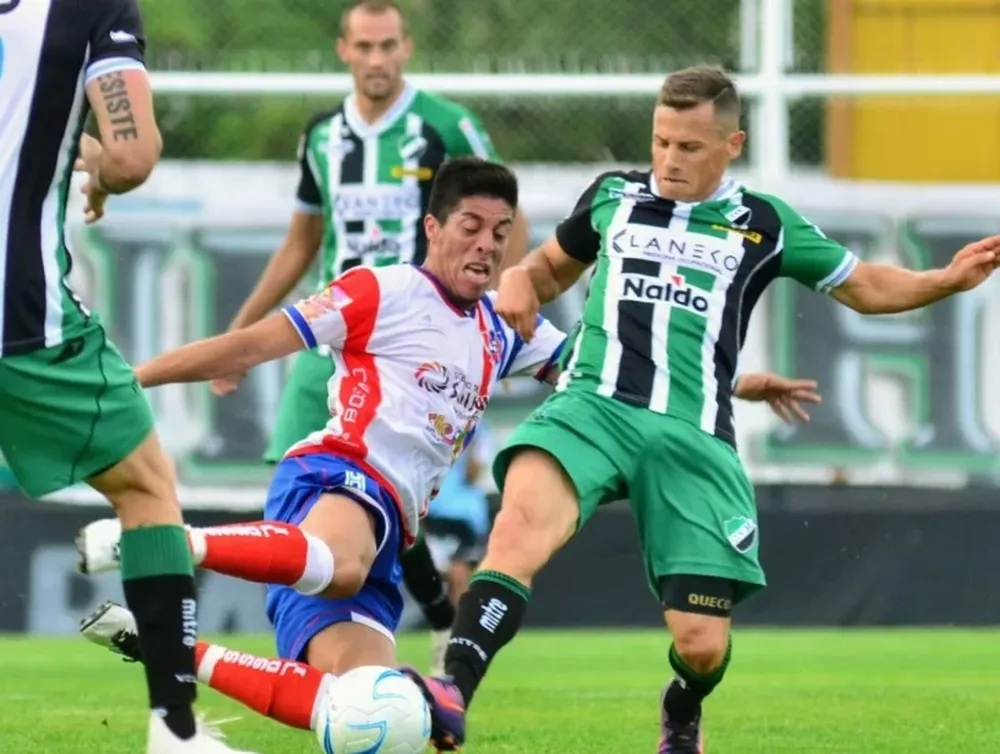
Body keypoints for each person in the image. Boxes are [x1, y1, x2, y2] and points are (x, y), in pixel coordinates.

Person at [406, 66, 1000, 753]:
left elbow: (865, 285)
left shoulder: (766, 223)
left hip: (693, 437)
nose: (668, 161)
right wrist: (515, 279)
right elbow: (542, 271)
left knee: (702, 644)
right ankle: (451, 692)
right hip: (590, 407)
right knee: (515, 534)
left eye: (688, 147)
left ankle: (683, 705)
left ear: (731, 145)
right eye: (660, 142)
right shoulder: (614, 197)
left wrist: (944, 280)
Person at [75, 157, 562, 737]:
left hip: (390, 529)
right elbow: (250, 346)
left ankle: (162, 647)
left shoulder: (504, 327)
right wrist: (135, 379)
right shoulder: (382, 291)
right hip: (338, 475)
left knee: (363, 710)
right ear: (433, 229)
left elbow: (595, 372)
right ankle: (166, 544)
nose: (486, 246)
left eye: (501, 234)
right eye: (471, 227)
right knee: (341, 565)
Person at [207, 0, 527, 670]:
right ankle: (331, 644)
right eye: (365, 46)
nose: (377, 59)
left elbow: (502, 214)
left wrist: (511, 299)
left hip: (407, 340)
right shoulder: (322, 136)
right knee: (300, 490)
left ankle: (418, 617)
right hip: (330, 335)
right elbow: (301, 244)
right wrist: (240, 337)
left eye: (388, 46)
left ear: (406, 47)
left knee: (382, 487)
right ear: (343, 51)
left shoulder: (445, 125)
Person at [0, 1, 251, 752]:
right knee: (146, 489)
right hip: (22, 318)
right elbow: (133, 154)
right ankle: (174, 729)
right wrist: (104, 170)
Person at [422, 428, 496, 606]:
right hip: (431, 513)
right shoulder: (434, 424)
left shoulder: (481, 433)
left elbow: (473, 475)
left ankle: (458, 628)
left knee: (461, 573)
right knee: (433, 573)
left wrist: (469, 442)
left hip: (463, 517)